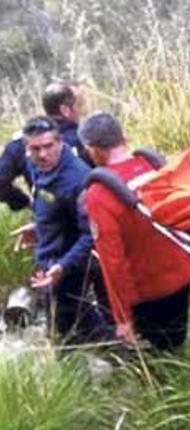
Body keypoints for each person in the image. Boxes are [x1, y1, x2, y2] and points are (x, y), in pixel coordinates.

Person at [80, 111, 190, 351]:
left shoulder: (99, 195)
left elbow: (113, 262)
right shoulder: (157, 168)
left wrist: (123, 318)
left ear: (93, 149)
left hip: (146, 293)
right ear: (124, 136)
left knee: (156, 360)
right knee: (176, 343)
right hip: (182, 276)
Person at [21, 116, 108, 342]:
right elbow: (47, 200)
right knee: (60, 323)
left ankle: (126, 360)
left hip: (74, 263)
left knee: (76, 323)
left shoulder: (78, 179)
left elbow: (91, 232)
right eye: (35, 148)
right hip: (50, 257)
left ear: (60, 143)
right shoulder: (34, 164)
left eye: (48, 146)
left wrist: (63, 266)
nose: (42, 154)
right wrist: (38, 226)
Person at [0, 81, 92, 212]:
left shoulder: (20, 142)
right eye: (77, 106)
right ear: (65, 110)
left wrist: (26, 203)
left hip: (47, 215)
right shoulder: (85, 137)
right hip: (87, 212)